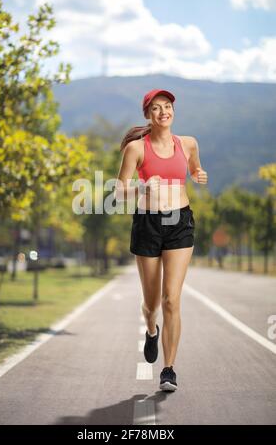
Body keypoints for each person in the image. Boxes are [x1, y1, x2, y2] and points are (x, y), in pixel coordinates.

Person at [114, 89, 208, 391]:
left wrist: (198, 174)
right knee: (152, 303)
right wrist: (142, 187)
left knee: (172, 298)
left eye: (167, 106)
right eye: (156, 108)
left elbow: (193, 168)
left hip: (179, 222)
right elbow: (118, 192)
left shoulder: (189, 143)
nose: (163, 111)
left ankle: (169, 369)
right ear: (147, 115)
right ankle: (151, 330)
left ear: (173, 111)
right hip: (148, 224)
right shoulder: (136, 149)